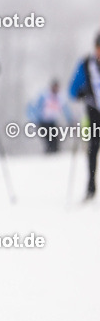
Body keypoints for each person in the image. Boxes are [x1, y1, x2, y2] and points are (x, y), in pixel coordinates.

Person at [69, 33, 100, 200]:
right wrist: (82, 92)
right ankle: (91, 187)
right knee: (93, 149)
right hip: (93, 111)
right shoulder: (86, 64)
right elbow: (72, 90)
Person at [26, 79, 73, 154]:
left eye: (57, 87)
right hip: (43, 122)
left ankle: (54, 155)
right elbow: (32, 106)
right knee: (48, 140)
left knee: (55, 141)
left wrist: (70, 119)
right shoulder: (44, 95)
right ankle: (49, 155)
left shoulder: (60, 97)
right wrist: (34, 119)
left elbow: (65, 109)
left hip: (52, 122)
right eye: (54, 87)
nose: (56, 89)